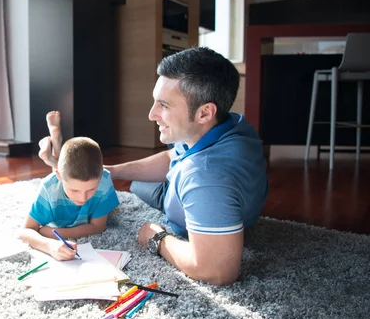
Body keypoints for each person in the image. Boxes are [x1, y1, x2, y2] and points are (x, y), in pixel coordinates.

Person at [105, 47, 268, 286]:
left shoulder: (205, 176)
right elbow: (174, 155)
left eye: (164, 105)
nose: (152, 114)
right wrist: (113, 171)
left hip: (191, 197)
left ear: (204, 112)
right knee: (135, 182)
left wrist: (158, 238)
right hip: (186, 188)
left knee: (138, 186)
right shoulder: (229, 123)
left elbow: (218, 271)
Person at [18, 112, 120, 261]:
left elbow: (98, 227)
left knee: (68, 170)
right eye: (75, 190)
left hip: (65, 177)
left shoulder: (104, 180)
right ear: (59, 177)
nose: (83, 197)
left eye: (92, 189)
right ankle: (55, 144)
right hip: (58, 181)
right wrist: (49, 246)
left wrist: (54, 233)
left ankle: (56, 145)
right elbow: (24, 231)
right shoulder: (49, 188)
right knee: (63, 174)